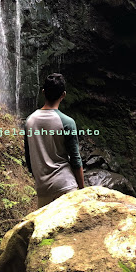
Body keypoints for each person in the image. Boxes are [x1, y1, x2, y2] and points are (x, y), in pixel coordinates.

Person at [24, 73, 85, 208]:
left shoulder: (29, 122)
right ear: (63, 95)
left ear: (43, 92)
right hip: (65, 186)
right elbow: (75, 159)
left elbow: (29, 159)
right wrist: (82, 189)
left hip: (43, 189)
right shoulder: (67, 122)